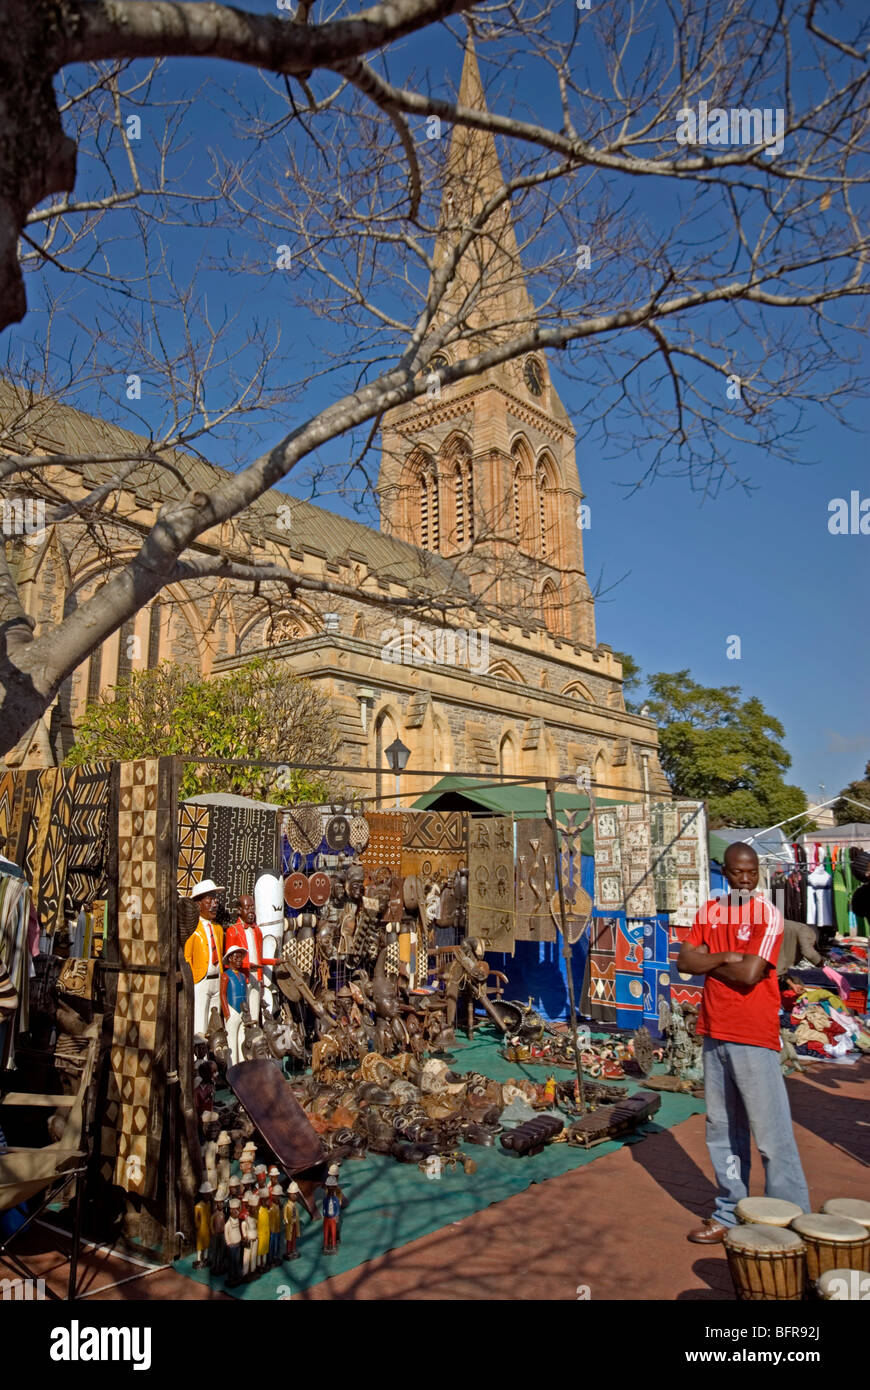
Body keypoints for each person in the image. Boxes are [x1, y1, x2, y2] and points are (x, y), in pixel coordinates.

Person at [677, 842, 810, 1243]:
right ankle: (730, 1210)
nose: (746, 880)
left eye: (752, 873)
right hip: (714, 1029)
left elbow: (751, 974)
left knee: (770, 1132)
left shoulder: (767, 914)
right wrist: (724, 957)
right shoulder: (710, 911)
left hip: (753, 1033)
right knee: (722, 1128)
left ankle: (788, 1216)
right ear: (726, 871)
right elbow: (684, 963)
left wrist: (711, 959)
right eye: (739, 872)